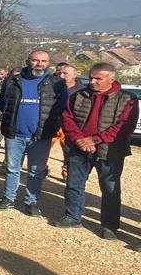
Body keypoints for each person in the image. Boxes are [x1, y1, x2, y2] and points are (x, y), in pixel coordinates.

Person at [58, 63, 139, 239]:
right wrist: (79, 140)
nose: (92, 82)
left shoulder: (127, 99)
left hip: (110, 151)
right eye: (91, 78)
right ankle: (72, 217)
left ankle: (109, 226)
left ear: (111, 79)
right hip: (79, 149)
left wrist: (94, 139)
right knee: (74, 183)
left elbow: (125, 127)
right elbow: (67, 118)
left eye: (98, 79)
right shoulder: (78, 95)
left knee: (110, 190)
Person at [0, 50, 61, 216]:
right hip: (15, 134)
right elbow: (3, 104)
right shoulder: (12, 80)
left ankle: (32, 202)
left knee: (36, 171)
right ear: (27, 61)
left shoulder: (56, 83)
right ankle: (8, 198)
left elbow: (61, 108)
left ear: (48, 63)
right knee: (12, 168)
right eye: (35, 60)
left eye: (43, 61)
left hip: (41, 136)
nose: (39, 64)